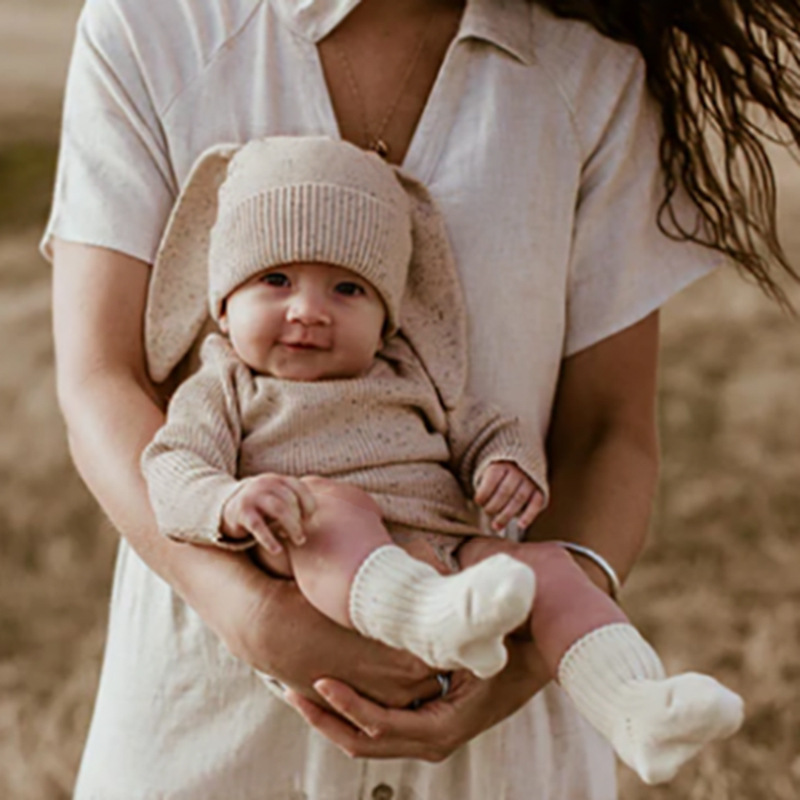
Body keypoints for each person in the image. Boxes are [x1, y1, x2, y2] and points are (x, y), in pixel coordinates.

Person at [45, 0, 800, 798]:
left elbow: (607, 432)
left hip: (502, 720)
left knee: (550, 578)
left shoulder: (591, 73)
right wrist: (255, 616)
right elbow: (101, 383)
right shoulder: (155, 26)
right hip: (210, 726)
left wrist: (515, 672)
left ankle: (637, 700)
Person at [142, 134, 743, 785]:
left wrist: (503, 463)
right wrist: (229, 503)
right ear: (223, 309)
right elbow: (173, 467)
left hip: (448, 554)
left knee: (552, 568)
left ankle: (633, 706)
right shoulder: (224, 385)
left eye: (348, 289)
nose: (309, 311)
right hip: (314, 553)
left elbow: (479, 426)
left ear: (386, 319)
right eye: (275, 279)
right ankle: (426, 618)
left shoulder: (409, 372)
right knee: (334, 507)